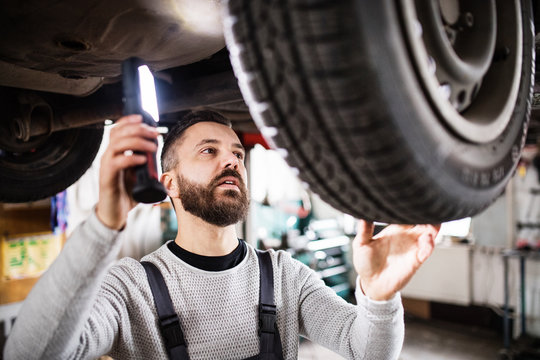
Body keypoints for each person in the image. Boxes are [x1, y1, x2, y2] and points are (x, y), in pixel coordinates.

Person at [4, 110, 440, 359]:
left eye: (236, 153)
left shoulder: (285, 276)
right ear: (168, 182)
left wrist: (379, 298)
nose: (231, 161)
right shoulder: (130, 287)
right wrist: (102, 225)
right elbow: (29, 355)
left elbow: (368, 350)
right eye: (208, 151)